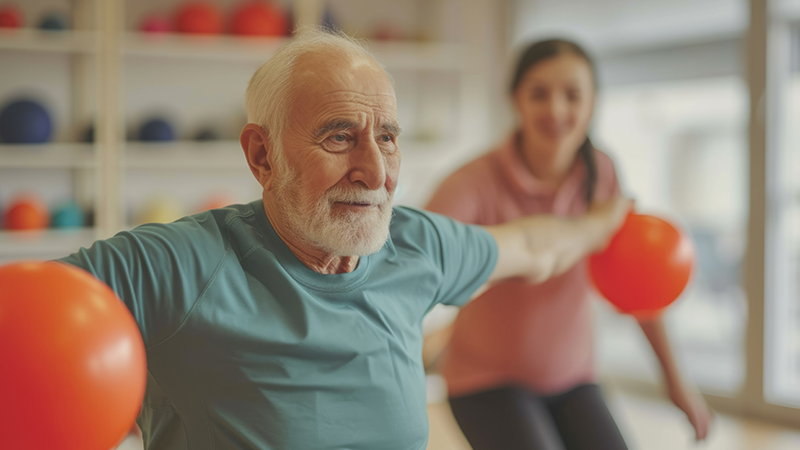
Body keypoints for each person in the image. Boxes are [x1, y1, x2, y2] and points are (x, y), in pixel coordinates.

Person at [58, 29, 629, 450]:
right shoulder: (181, 263)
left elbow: (535, 246)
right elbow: (27, 318)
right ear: (263, 156)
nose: (376, 172)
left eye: (387, 137)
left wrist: (605, 220)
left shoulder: (416, 247)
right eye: (339, 137)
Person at [425, 39, 713, 450]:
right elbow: (417, 254)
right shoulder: (474, 182)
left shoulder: (602, 172)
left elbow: (638, 281)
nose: (557, 110)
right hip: (485, 383)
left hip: (573, 378)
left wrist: (676, 381)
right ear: (515, 100)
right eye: (539, 93)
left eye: (572, 95)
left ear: (593, 103)